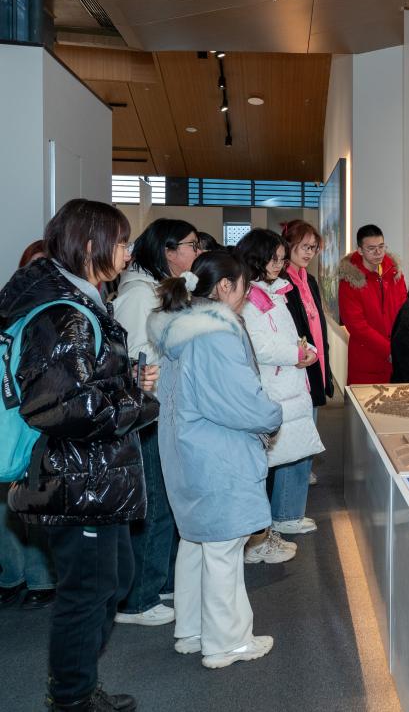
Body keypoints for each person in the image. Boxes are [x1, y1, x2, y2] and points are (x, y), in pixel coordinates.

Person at [0, 199, 159, 711]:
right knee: (87, 594)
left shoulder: (78, 302)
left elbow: (79, 386)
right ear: (91, 247)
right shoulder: (65, 312)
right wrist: (137, 400)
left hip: (91, 474)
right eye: (121, 243)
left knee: (108, 584)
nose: (127, 253)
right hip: (76, 476)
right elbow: (61, 405)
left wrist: (126, 382)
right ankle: (71, 699)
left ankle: (78, 689)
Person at [148, 250, 283, 670]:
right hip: (218, 453)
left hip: (185, 450)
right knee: (224, 546)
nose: (246, 296)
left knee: (196, 542)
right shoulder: (216, 334)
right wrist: (272, 414)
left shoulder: (178, 328)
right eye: (244, 287)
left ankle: (192, 630)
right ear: (225, 286)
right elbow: (238, 401)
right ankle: (227, 642)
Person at [111, 218, 198, 628]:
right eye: (191, 245)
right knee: (155, 504)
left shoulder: (160, 289)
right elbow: (132, 358)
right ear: (168, 250)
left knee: (166, 501)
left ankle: (158, 583)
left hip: (163, 408)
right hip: (147, 410)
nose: (197, 252)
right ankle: (138, 599)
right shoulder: (137, 295)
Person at [237, 229, 324, 546]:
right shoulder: (250, 296)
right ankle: (263, 533)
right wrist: (297, 354)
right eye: (272, 258)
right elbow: (259, 346)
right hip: (273, 386)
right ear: (256, 258)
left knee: (287, 454)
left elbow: (290, 335)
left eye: (280, 258)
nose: (278, 264)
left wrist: (305, 350)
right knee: (269, 461)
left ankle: (278, 522)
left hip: (287, 382)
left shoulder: (273, 291)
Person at [0, 241, 56, 612]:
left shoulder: (57, 314)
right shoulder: (7, 310)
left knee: (33, 495)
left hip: (36, 417)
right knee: (3, 503)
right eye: (34, 267)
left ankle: (41, 578)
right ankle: (11, 575)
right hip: (8, 414)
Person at [337, 224, 407, 384]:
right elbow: (356, 325)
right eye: (371, 248)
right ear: (360, 250)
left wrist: (401, 346)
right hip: (367, 360)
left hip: (398, 359)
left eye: (381, 247)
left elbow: (405, 312)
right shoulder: (350, 281)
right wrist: (388, 350)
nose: (378, 252)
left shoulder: (394, 273)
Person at [281, 220, 335, 410]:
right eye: (304, 246)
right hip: (296, 359)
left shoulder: (309, 280)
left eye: (313, 248)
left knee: (312, 411)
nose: (309, 253)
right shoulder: (282, 281)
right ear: (288, 245)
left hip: (315, 353)